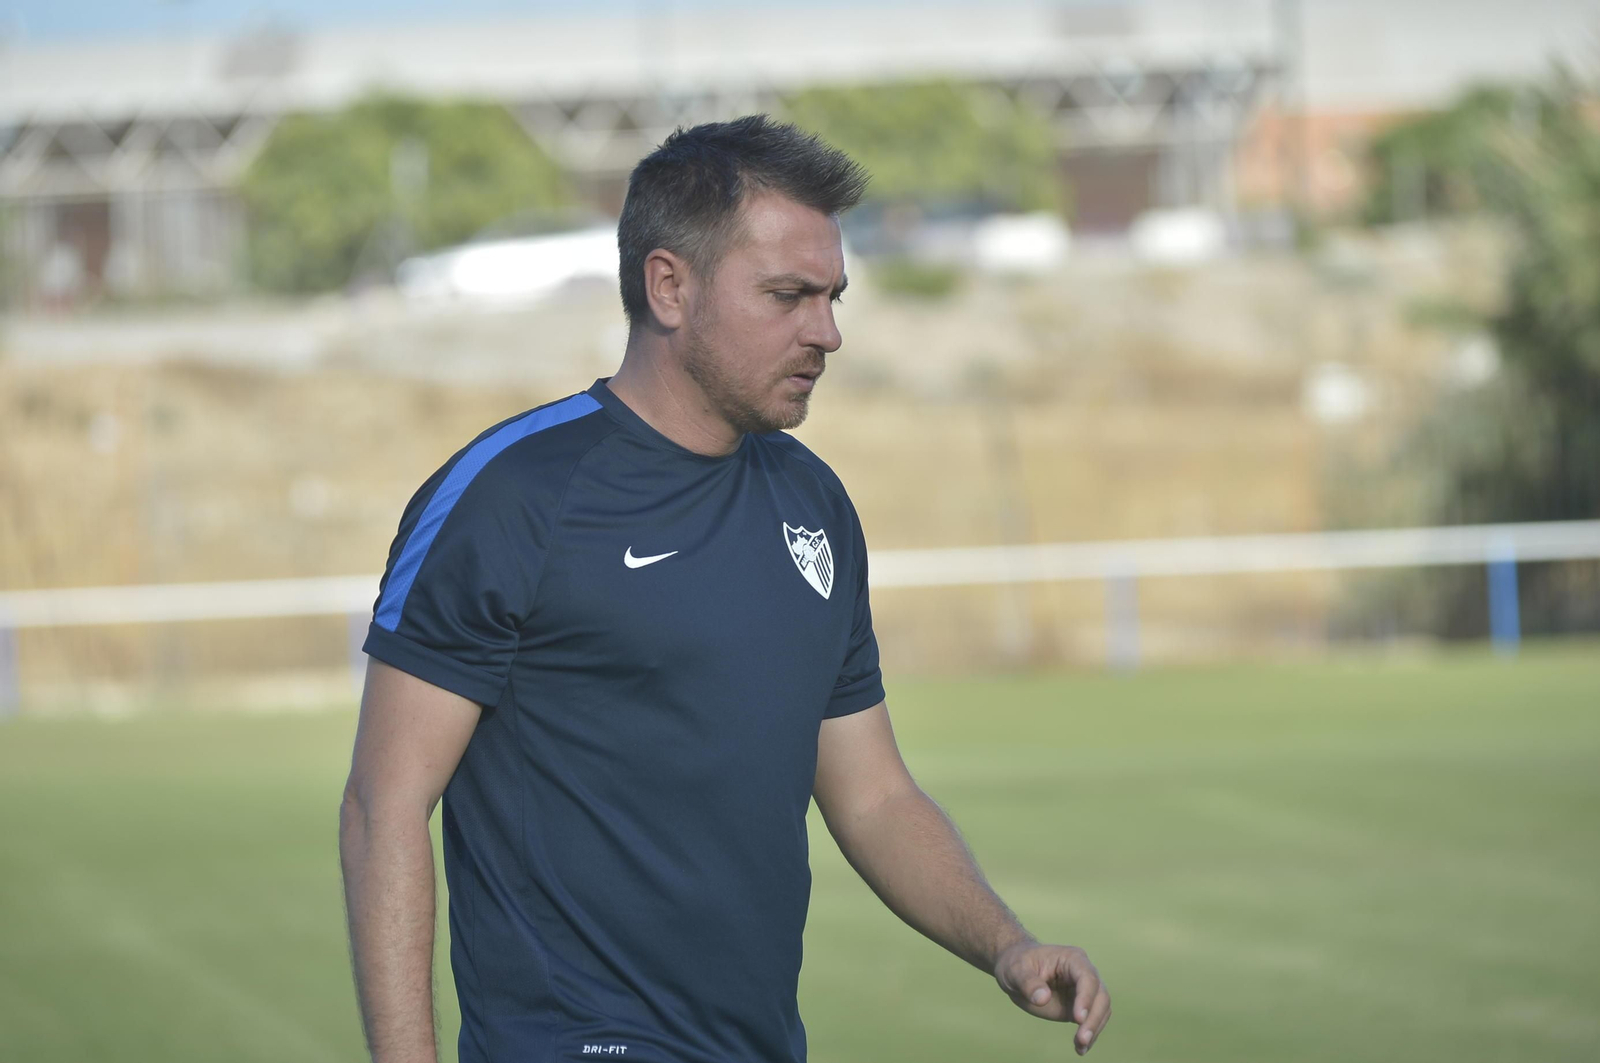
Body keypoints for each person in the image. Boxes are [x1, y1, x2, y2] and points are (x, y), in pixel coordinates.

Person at [339, 114, 1111, 1063]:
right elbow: (383, 805)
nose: (826, 331)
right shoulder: (511, 496)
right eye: (788, 296)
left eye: (832, 296)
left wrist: (1007, 945)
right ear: (669, 286)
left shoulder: (812, 502)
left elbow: (873, 796)